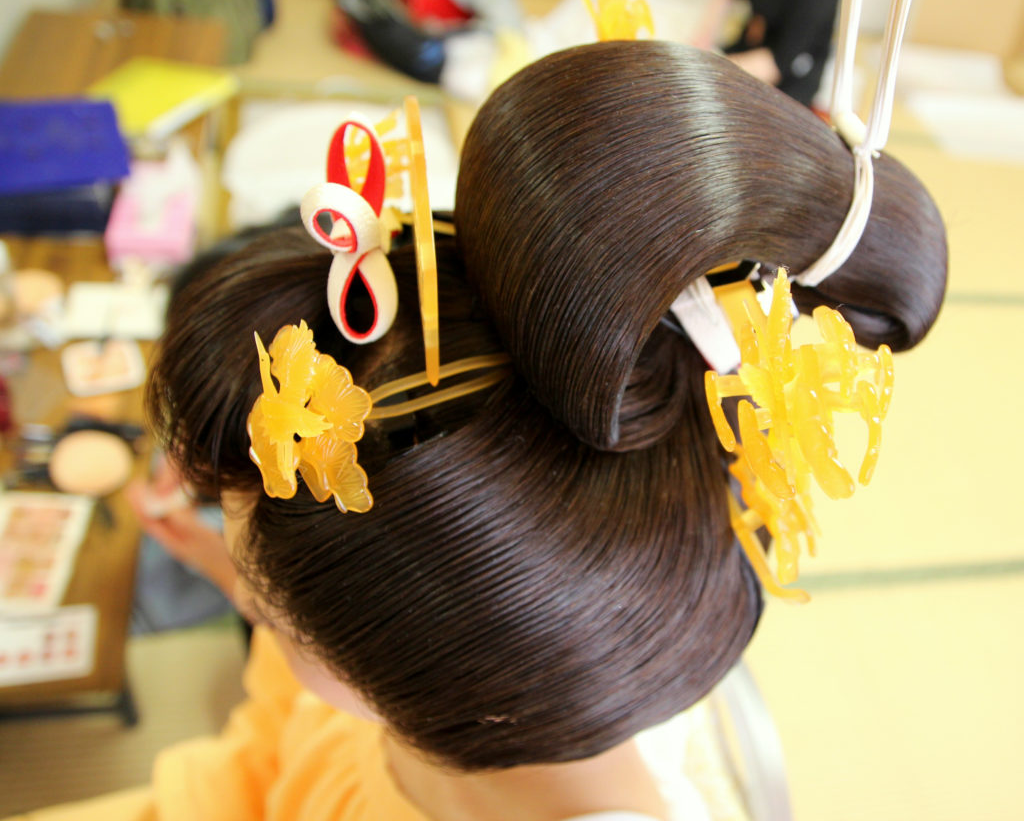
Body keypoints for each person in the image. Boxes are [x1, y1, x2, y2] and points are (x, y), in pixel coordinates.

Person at [9, 40, 946, 821]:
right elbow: (290, 709)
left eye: (269, 606)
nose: (256, 606)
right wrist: (224, 558)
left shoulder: (453, 664)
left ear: (409, 668)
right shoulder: (495, 664)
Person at [692, 0, 841, 106]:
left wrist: (707, 68)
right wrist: (702, 37)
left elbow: (777, 64)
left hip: (788, 81)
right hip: (750, 49)